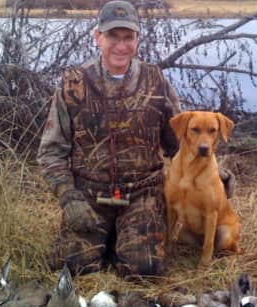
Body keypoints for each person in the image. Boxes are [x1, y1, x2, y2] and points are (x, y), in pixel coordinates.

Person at [38, 0, 181, 278]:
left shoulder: (156, 81)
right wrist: (69, 199)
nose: (121, 45)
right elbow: (51, 151)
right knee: (73, 268)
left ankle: (125, 237)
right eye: (113, 36)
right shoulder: (74, 83)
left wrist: (214, 170)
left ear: (138, 39)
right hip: (89, 195)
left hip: (142, 194)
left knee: (145, 270)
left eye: (128, 37)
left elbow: (179, 143)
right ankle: (108, 239)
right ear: (97, 37)